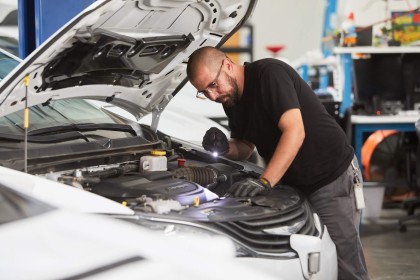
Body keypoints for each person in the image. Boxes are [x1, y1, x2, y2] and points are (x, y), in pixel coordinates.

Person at [186, 46, 369, 280]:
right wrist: (225, 148)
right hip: (296, 185)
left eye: (212, 85)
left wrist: (265, 181)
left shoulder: (269, 75)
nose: (212, 95)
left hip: (329, 179)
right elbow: (245, 146)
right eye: (204, 92)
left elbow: (295, 131)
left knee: (346, 268)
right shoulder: (231, 99)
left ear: (228, 65)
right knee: (315, 266)